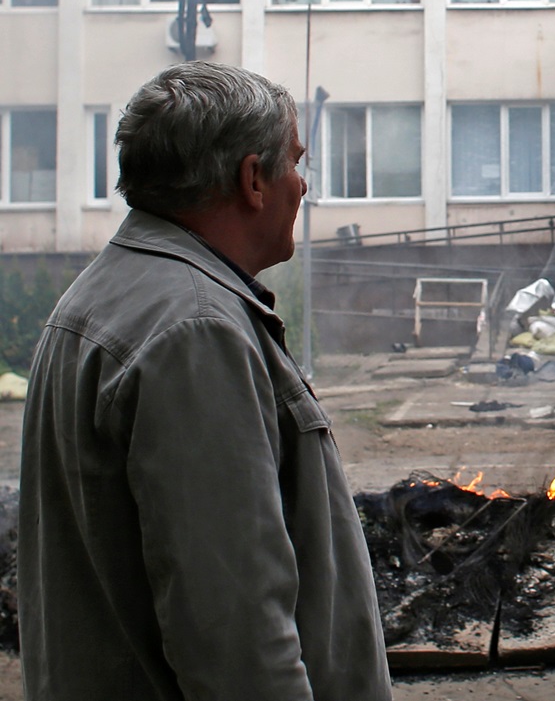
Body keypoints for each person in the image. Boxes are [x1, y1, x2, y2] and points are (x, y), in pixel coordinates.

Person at [18, 62, 392, 700]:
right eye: (295, 163)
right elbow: (237, 639)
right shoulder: (195, 331)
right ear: (253, 179)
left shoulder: (106, 296)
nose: (302, 186)